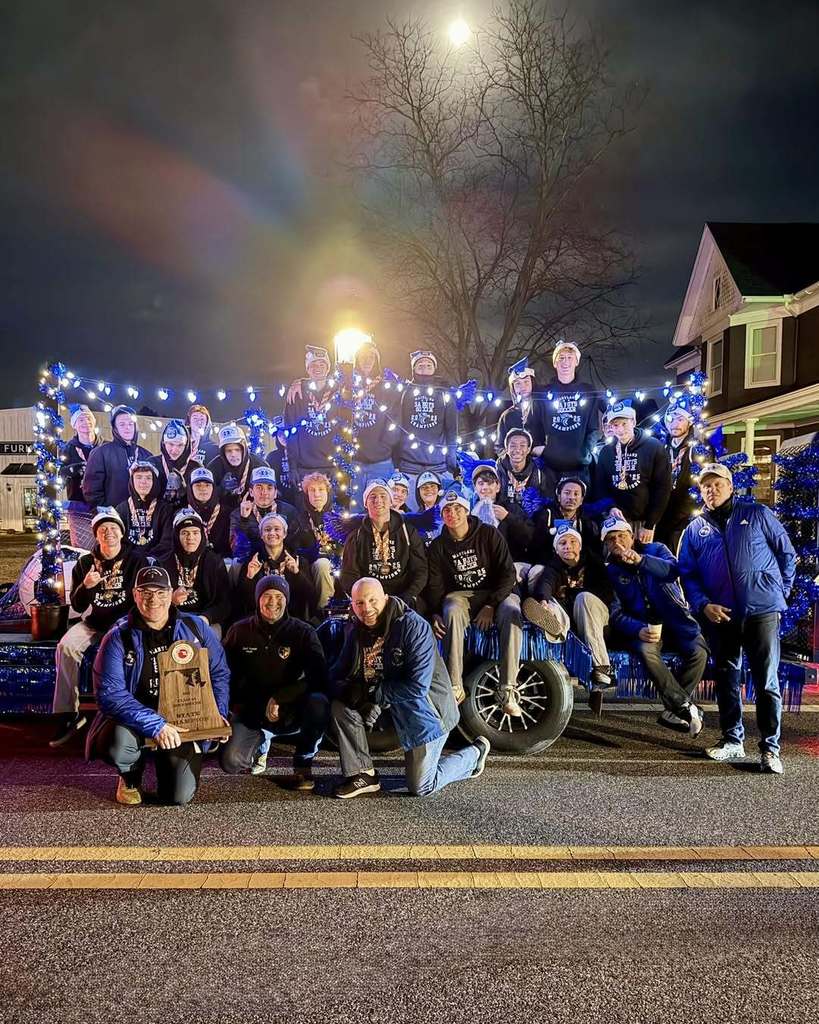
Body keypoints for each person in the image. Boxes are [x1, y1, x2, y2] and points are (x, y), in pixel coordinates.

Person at [678, 463, 796, 773]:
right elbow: (687, 574)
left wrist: (777, 592)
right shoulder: (695, 529)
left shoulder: (756, 513)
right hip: (722, 614)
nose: (711, 490)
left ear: (731, 486)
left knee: (766, 681)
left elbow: (787, 553)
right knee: (727, 677)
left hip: (762, 612)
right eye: (706, 486)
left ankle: (770, 748)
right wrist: (703, 605)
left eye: (717, 484)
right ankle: (732, 740)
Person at [330, 578, 490, 798]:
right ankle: (363, 774)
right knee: (341, 706)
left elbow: (417, 687)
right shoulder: (356, 629)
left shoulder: (413, 627)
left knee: (421, 786)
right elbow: (339, 670)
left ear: (385, 599)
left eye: (372, 600)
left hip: (425, 713)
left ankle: (474, 755)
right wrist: (337, 689)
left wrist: (369, 693)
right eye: (359, 603)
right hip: (388, 705)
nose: (366, 609)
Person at [91, 565, 230, 806]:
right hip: (136, 720)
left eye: (160, 592)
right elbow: (111, 696)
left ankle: (169, 765)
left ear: (171, 594)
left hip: (183, 719)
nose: (153, 599)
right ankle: (130, 776)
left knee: (177, 797)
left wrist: (216, 714)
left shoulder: (195, 627)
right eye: (145, 592)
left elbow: (219, 673)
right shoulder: (117, 637)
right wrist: (157, 725)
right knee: (116, 744)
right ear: (135, 594)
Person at [602, 514, 707, 735]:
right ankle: (683, 707)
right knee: (646, 651)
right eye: (611, 539)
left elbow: (673, 570)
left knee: (699, 653)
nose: (618, 542)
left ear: (631, 537)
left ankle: (672, 710)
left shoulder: (656, 549)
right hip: (645, 628)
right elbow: (616, 613)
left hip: (676, 622)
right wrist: (637, 630)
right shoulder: (610, 571)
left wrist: (641, 561)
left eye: (621, 536)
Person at [221, 574, 330, 788]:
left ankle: (303, 762)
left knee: (319, 704)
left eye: (279, 596)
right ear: (257, 599)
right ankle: (261, 742)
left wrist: (281, 697)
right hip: (252, 711)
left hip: (291, 709)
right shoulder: (238, 631)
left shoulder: (303, 632)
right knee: (231, 762)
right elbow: (224, 675)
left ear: (287, 599)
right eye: (267, 595)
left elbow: (319, 678)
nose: (273, 602)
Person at [49, 508, 146, 747]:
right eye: (103, 530)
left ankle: (130, 709)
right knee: (66, 647)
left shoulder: (136, 559)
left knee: (129, 651)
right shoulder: (85, 562)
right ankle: (68, 714)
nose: (109, 533)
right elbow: (79, 605)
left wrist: (122, 624)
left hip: (125, 622)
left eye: (113, 528)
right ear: (96, 535)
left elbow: (141, 599)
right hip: (94, 622)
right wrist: (86, 585)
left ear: (122, 533)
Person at [426, 488, 522, 717]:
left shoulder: (489, 534)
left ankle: (507, 689)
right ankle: (455, 686)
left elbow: (508, 574)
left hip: (498, 593)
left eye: (457, 508)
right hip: (463, 596)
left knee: (512, 612)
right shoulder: (438, 546)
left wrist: (491, 604)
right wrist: (435, 612)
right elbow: (435, 586)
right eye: (447, 510)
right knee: (450, 607)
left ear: (466, 510)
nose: (453, 514)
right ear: (442, 515)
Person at [523, 521, 614, 689]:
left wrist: (573, 593)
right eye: (562, 543)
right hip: (572, 620)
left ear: (579, 546)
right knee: (552, 603)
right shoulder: (555, 565)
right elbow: (547, 582)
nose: (568, 546)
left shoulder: (593, 561)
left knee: (583, 598)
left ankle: (601, 666)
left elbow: (607, 593)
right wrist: (543, 600)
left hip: (597, 620)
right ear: (556, 550)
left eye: (572, 542)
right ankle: (553, 623)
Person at [593, 400, 672, 544]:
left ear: (633, 421)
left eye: (624, 424)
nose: (620, 430)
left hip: (643, 523)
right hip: (616, 522)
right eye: (615, 425)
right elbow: (600, 487)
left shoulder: (654, 447)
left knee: (642, 561)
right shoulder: (606, 452)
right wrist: (610, 508)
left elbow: (662, 488)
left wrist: (650, 524)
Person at [340, 479, 428, 608]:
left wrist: (409, 595)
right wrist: (365, 600)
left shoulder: (408, 532)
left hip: (404, 598)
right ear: (365, 503)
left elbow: (420, 569)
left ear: (391, 500)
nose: (378, 500)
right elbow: (349, 575)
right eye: (372, 497)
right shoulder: (356, 536)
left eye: (383, 496)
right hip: (370, 601)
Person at [395, 350, 458, 507]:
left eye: (429, 365)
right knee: (411, 516)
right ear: (413, 369)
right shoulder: (404, 392)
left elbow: (452, 430)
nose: (424, 368)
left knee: (438, 517)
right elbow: (396, 428)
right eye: (420, 365)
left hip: (438, 468)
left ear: (434, 368)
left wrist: (451, 457)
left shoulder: (444, 394)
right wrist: (396, 461)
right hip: (409, 467)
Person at [161, 508, 231, 639]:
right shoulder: (164, 563)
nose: (190, 538)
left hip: (206, 621)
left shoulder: (214, 562)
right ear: (176, 535)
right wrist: (171, 601)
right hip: (171, 619)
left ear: (202, 534)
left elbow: (225, 603)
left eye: (195, 532)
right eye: (185, 533)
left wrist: (206, 617)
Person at [236, 513, 316, 621]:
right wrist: (249, 578)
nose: (272, 533)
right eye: (267, 529)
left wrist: (297, 574)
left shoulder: (298, 561)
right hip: (258, 621)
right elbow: (240, 601)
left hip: (292, 621)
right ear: (261, 535)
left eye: (277, 529)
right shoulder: (252, 562)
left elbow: (311, 597)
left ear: (285, 534)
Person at [470, 464, 534, 586]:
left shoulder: (512, 508)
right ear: (475, 487)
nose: (485, 487)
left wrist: (508, 517)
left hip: (512, 564)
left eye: (489, 483)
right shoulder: (469, 512)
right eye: (481, 483)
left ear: (498, 487)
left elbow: (529, 537)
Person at [656, 403, 707, 553]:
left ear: (689, 421)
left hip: (685, 517)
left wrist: (683, 515)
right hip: (662, 515)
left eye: (680, 419)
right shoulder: (662, 449)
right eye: (670, 419)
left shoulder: (696, 449)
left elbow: (701, 485)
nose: (674, 423)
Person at [287, 472, 341, 612]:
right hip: (309, 566)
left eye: (321, 489)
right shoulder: (300, 519)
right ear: (307, 494)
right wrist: (314, 551)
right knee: (322, 564)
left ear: (327, 492)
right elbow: (293, 550)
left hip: (338, 565)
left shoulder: (339, 517)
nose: (317, 494)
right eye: (312, 490)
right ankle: (324, 611)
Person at [283, 345, 337, 485]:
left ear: (328, 367)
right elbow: (290, 433)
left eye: (322, 364)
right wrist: (292, 467)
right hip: (304, 469)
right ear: (307, 369)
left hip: (333, 468)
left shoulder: (338, 391)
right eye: (313, 365)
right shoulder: (297, 393)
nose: (318, 368)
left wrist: (342, 465)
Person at [82, 405, 151, 508]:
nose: (127, 427)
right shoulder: (100, 453)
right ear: (115, 428)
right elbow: (92, 491)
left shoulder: (146, 456)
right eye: (122, 424)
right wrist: (107, 514)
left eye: (130, 424)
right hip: (112, 519)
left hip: (141, 519)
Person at [230, 465, 297, 558]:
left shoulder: (289, 512)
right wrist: (244, 520)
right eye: (259, 487)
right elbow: (236, 548)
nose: (264, 492)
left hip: (281, 558)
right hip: (250, 559)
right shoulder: (237, 514)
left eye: (269, 488)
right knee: (236, 564)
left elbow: (294, 544)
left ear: (275, 493)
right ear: (251, 492)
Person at [115, 461, 174, 562]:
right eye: (138, 477)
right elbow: (118, 541)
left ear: (154, 481)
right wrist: (133, 560)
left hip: (156, 563)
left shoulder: (165, 509)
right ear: (132, 481)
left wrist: (148, 560)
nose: (143, 482)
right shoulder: (121, 509)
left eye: (148, 478)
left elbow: (167, 542)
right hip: (128, 563)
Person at [63, 404, 102, 547]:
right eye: (80, 420)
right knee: (84, 550)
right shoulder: (67, 449)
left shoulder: (105, 446)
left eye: (88, 418)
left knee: (106, 548)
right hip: (79, 506)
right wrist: (73, 469)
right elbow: (58, 473)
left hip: (103, 505)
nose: (85, 422)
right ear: (74, 425)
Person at [495, 358, 545, 455]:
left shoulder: (544, 409)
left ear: (532, 383)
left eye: (526, 382)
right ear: (512, 388)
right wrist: (513, 456)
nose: (523, 387)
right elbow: (499, 447)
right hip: (517, 467)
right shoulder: (507, 416)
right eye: (518, 383)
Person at [207, 423, 265, 508]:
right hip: (222, 513)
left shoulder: (259, 465)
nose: (233, 454)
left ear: (244, 449)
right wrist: (221, 489)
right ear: (223, 452)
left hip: (254, 511)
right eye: (229, 451)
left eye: (237, 450)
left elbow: (271, 496)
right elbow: (203, 499)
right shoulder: (214, 467)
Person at [495, 427, 550, 512]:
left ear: (528, 449)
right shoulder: (497, 471)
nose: (517, 450)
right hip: (502, 520)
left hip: (530, 522)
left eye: (522, 445)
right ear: (506, 449)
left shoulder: (539, 472)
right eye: (513, 446)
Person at [185, 466, 232, 557]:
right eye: (198, 485)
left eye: (207, 485)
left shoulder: (227, 513)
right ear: (190, 489)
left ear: (213, 488)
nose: (203, 489)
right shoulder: (182, 514)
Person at [151, 419, 196, 505]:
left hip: (186, 515)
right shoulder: (152, 464)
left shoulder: (195, 467)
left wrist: (185, 491)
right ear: (164, 443)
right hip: (158, 516)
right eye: (171, 444)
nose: (175, 450)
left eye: (180, 445)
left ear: (186, 445)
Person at [413, 470, 443, 545]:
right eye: (424, 487)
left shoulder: (449, 512)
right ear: (418, 492)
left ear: (439, 490)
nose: (429, 489)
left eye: (432, 486)